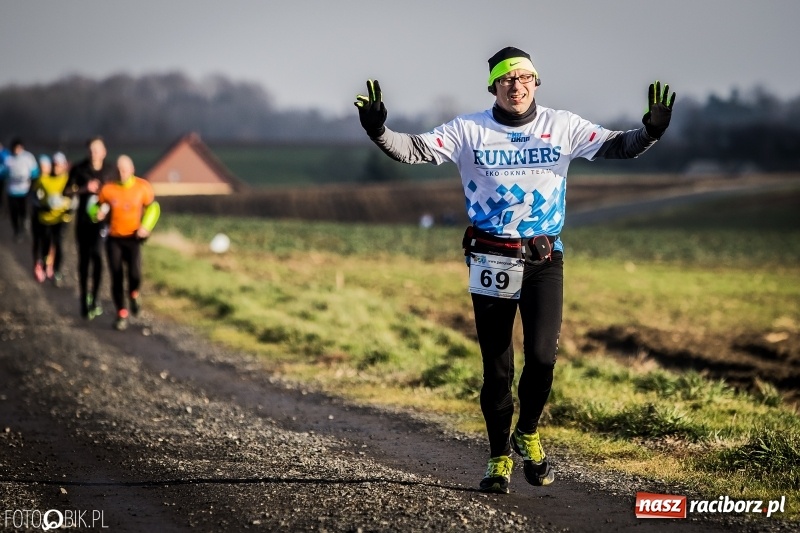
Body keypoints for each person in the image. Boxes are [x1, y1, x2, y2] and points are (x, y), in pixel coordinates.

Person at [354, 46, 675, 494]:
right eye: (507, 79)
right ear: (493, 87)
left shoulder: (562, 126)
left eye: (524, 78)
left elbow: (619, 146)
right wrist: (378, 131)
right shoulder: (469, 130)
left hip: (544, 259)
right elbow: (414, 150)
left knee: (542, 359)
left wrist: (651, 131)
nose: (516, 86)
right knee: (497, 369)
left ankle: (527, 431)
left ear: (536, 83)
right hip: (492, 259)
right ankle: (499, 457)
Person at [93, 155, 159, 331]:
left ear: (132, 170)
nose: (121, 173)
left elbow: (153, 208)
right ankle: (121, 313)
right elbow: (94, 206)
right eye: (119, 170)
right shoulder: (108, 189)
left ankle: (134, 293)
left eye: (124, 170)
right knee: (116, 275)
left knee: (135, 274)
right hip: (114, 238)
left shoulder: (142, 187)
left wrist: (146, 226)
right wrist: (96, 213)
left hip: (133, 237)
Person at [66, 136, 116, 319]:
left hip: (101, 222)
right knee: (84, 261)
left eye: (97, 150)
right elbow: (66, 191)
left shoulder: (111, 170)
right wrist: (84, 189)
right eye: (91, 150)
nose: (94, 153)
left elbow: (117, 193)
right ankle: (83, 300)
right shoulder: (79, 169)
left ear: (104, 152)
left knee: (97, 256)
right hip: (83, 222)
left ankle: (95, 298)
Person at [32, 152, 73, 286]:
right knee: (46, 243)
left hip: (62, 218)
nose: (56, 167)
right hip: (46, 219)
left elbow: (74, 196)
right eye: (54, 164)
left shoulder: (68, 179)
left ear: (64, 165)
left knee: (58, 244)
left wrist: (69, 208)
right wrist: (41, 206)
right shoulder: (43, 179)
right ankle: (45, 264)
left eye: (59, 165)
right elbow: (33, 195)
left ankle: (57, 271)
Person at [4, 138, 39, 241]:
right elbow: (3, 172)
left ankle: (23, 226)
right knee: (13, 212)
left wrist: (33, 185)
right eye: (15, 148)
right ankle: (17, 231)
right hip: (11, 191)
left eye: (18, 148)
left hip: (25, 190)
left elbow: (35, 172)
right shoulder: (8, 159)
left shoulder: (28, 157)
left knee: (23, 211)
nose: (16, 150)